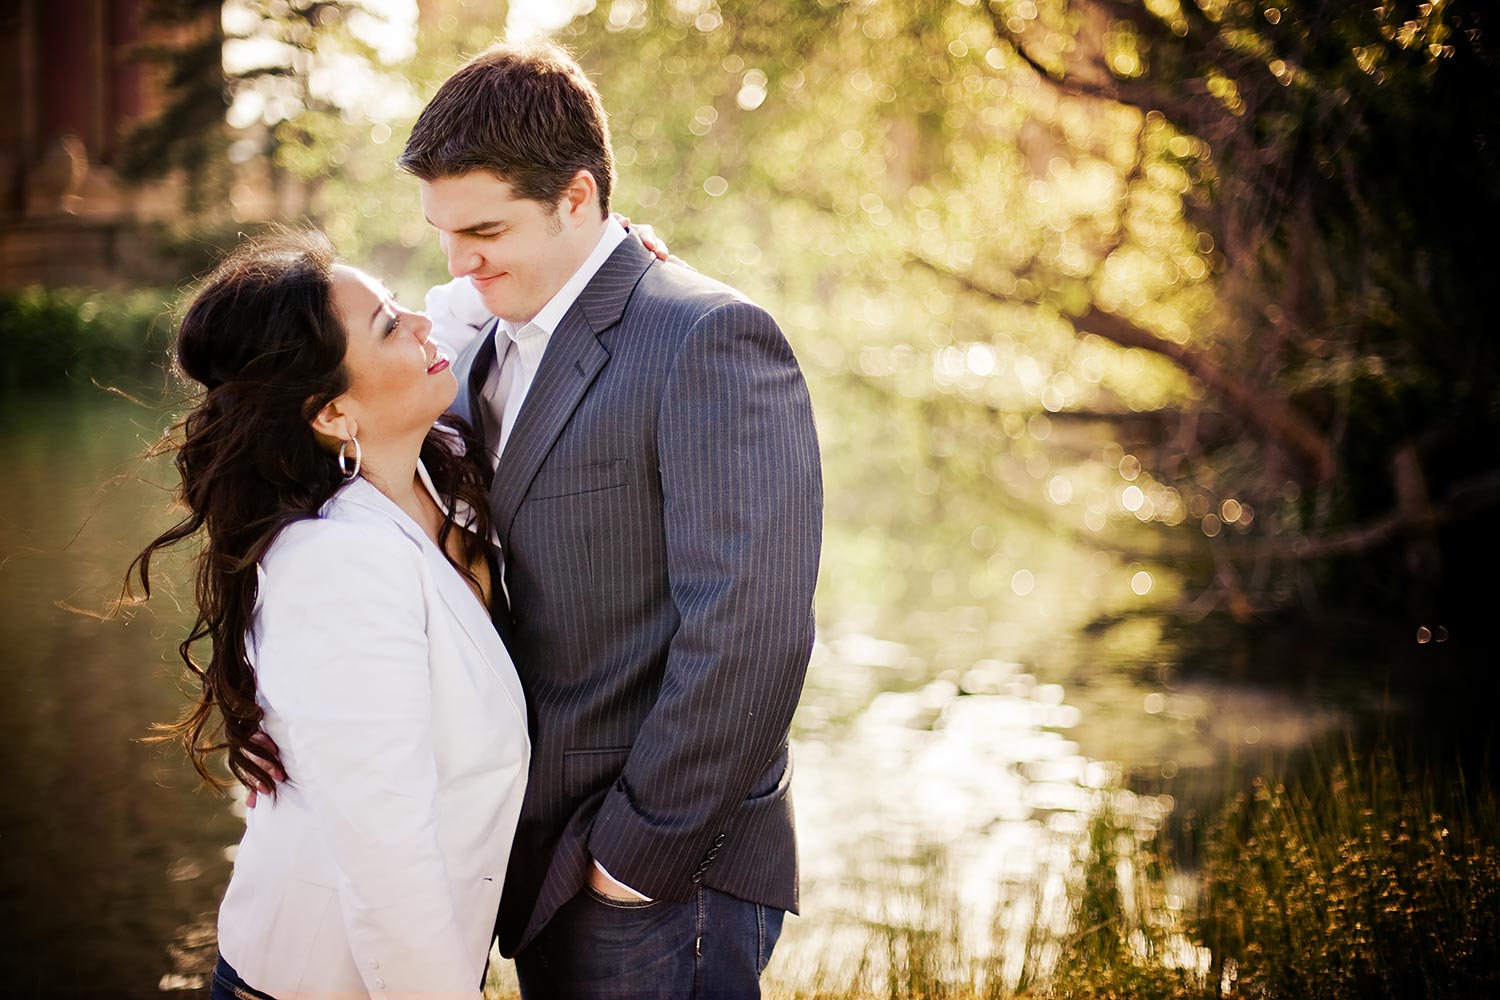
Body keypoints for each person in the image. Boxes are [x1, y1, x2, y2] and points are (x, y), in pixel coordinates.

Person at [400, 42, 825, 998]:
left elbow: (752, 630)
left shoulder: (707, 337)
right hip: (542, 856)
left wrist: (633, 861)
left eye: (486, 229)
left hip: (660, 874)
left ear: (578, 198)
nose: (461, 259)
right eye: (442, 231)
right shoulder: (478, 340)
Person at [128, 231, 529, 999]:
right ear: (333, 412)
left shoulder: (428, 476)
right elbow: (387, 853)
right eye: (389, 325)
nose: (421, 324)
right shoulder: (334, 563)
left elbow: (460, 306)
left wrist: (606, 256)